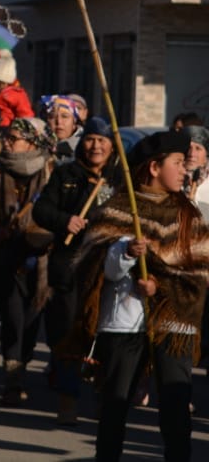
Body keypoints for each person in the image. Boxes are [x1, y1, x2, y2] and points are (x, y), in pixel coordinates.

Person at [73, 131, 208, 462]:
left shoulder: (189, 214)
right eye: (176, 163)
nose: (183, 171)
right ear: (153, 168)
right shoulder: (119, 207)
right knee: (115, 405)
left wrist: (160, 288)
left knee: (176, 410)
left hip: (174, 321)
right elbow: (94, 267)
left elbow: (200, 270)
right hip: (125, 320)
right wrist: (126, 252)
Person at [32, 116, 115, 425]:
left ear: (111, 147)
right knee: (68, 335)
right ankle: (67, 400)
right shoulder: (66, 174)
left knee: (102, 336)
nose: (95, 146)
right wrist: (64, 219)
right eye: (91, 139)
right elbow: (42, 210)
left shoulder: (118, 180)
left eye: (102, 141)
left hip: (106, 270)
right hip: (68, 268)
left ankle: (103, 399)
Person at [0, 116, 56, 407]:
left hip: (40, 262)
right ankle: (12, 380)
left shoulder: (51, 173)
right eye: (7, 137)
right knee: (13, 319)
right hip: (7, 258)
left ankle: (21, 364)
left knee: (31, 324)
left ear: (33, 143)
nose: (7, 142)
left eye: (14, 138)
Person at [40, 94, 83, 165]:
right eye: (52, 117)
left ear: (74, 121)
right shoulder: (38, 147)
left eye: (65, 116)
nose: (59, 122)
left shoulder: (83, 149)